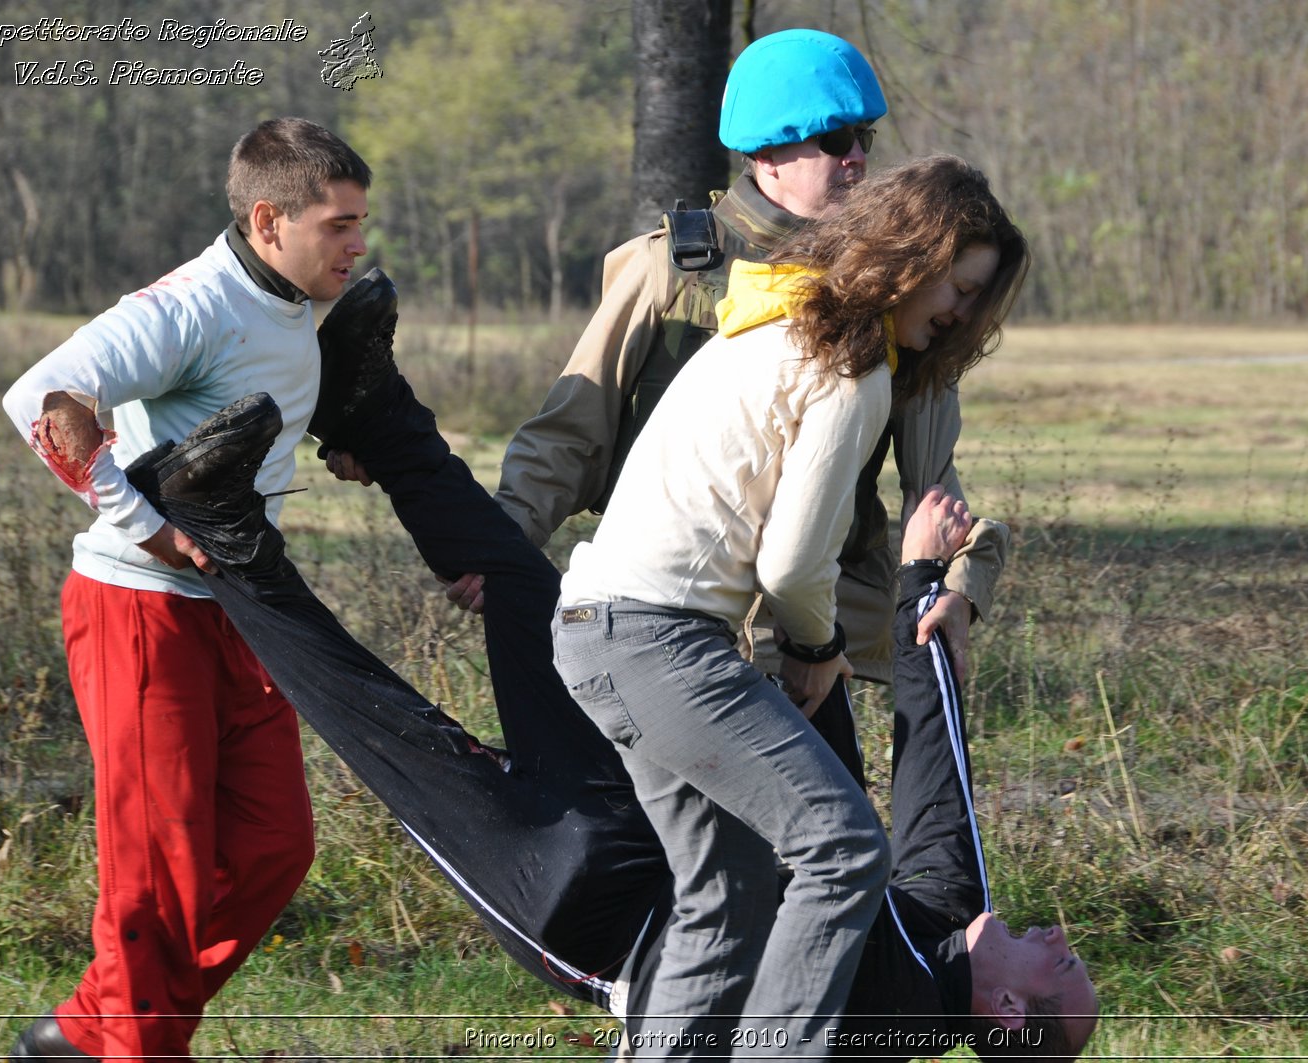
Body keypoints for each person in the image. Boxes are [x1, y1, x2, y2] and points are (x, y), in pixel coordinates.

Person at [125, 387, 1099, 1061]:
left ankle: (220, 525)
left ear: (1006, 1009)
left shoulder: (887, 1017)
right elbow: (936, 767)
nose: (1055, 928)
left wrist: (818, 663)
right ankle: (381, 410)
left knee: (376, 717)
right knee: (530, 594)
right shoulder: (942, 917)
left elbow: (820, 821)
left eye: (1057, 957)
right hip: (644, 813)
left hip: (584, 916)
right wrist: (923, 586)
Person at [397, 27, 1010, 789]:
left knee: (827, 845)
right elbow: (572, 427)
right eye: (834, 138)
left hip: (800, 639)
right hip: (668, 618)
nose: (857, 157)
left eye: (865, 139)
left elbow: (935, 487)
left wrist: (960, 588)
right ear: (767, 153)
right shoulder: (673, 269)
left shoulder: (892, 294)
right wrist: (505, 540)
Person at [549, 154, 1030, 1056]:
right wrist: (816, 648)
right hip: (658, 639)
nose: (962, 312)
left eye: (977, 297)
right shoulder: (854, 369)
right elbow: (796, 559)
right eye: (957, 287)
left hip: (598, 628)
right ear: (912, 255)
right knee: (844, 849)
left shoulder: (783, 318)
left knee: (725, 889)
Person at [0, 117, 376, 1061]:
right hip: (138, 610)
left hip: (242, 614)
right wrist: (145, 524)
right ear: (267, 219)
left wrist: (340, 438)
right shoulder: (190, 305)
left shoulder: (294, 302)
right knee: (154, 875)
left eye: (361, 222)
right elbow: (42, 398)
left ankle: (93, 1028)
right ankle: (130, 1043)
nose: (357, 243)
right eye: (337, 224)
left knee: (273, 846)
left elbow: (256, 398)